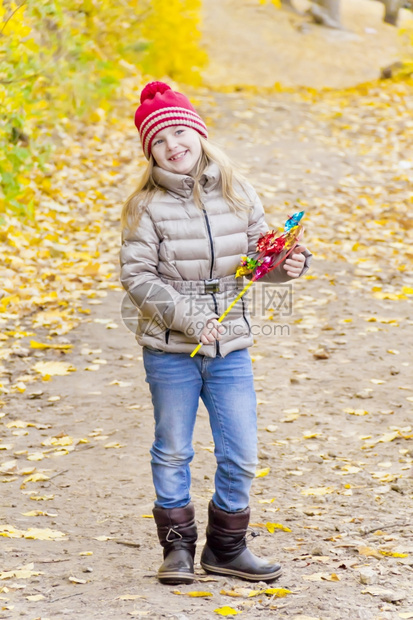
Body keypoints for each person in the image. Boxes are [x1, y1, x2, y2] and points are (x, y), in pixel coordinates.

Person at [120, 81, 312, 586]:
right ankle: (178, 550)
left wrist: (284, 266)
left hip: (230, 348)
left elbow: (257, 259)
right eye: (159, 141)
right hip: (171, 350)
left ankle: (226, 547)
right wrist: (187, 316)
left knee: (241, 451)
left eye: (180, 132)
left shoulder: (237, 190)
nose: (172, 145)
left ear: (199, 134)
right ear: (150, 151)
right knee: (173, 448)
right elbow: (137, 277)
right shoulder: (144, 207)